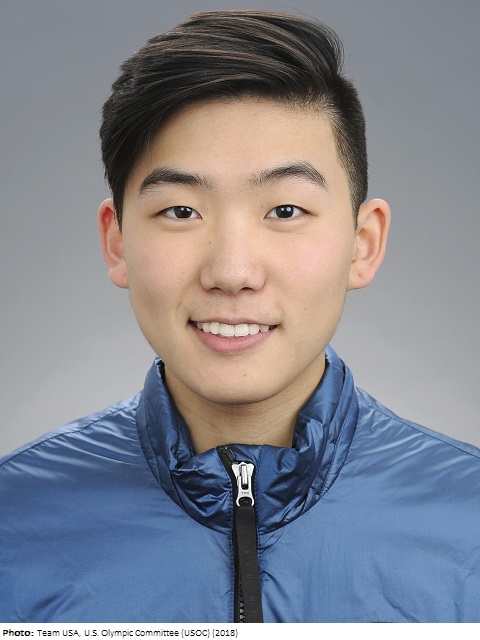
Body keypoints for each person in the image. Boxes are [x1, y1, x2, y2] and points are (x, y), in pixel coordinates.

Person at [0, 9, 479, 624]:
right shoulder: (15, 523)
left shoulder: (467, 524)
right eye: (180, 211)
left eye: (284, 210)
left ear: (363, 243)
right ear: (117, 243)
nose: (231, 271)